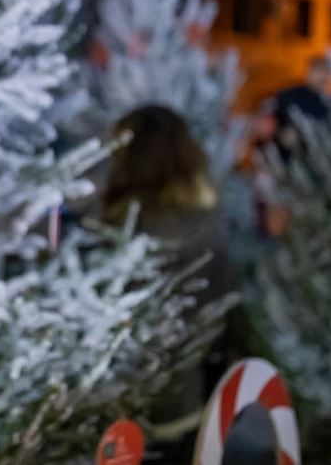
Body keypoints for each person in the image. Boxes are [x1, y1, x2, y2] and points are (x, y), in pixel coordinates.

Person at [99, 105, 246, 463]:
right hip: (189, 397)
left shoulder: (122, 233)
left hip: (123, 409)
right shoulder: (207, 221)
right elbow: (226, 301)